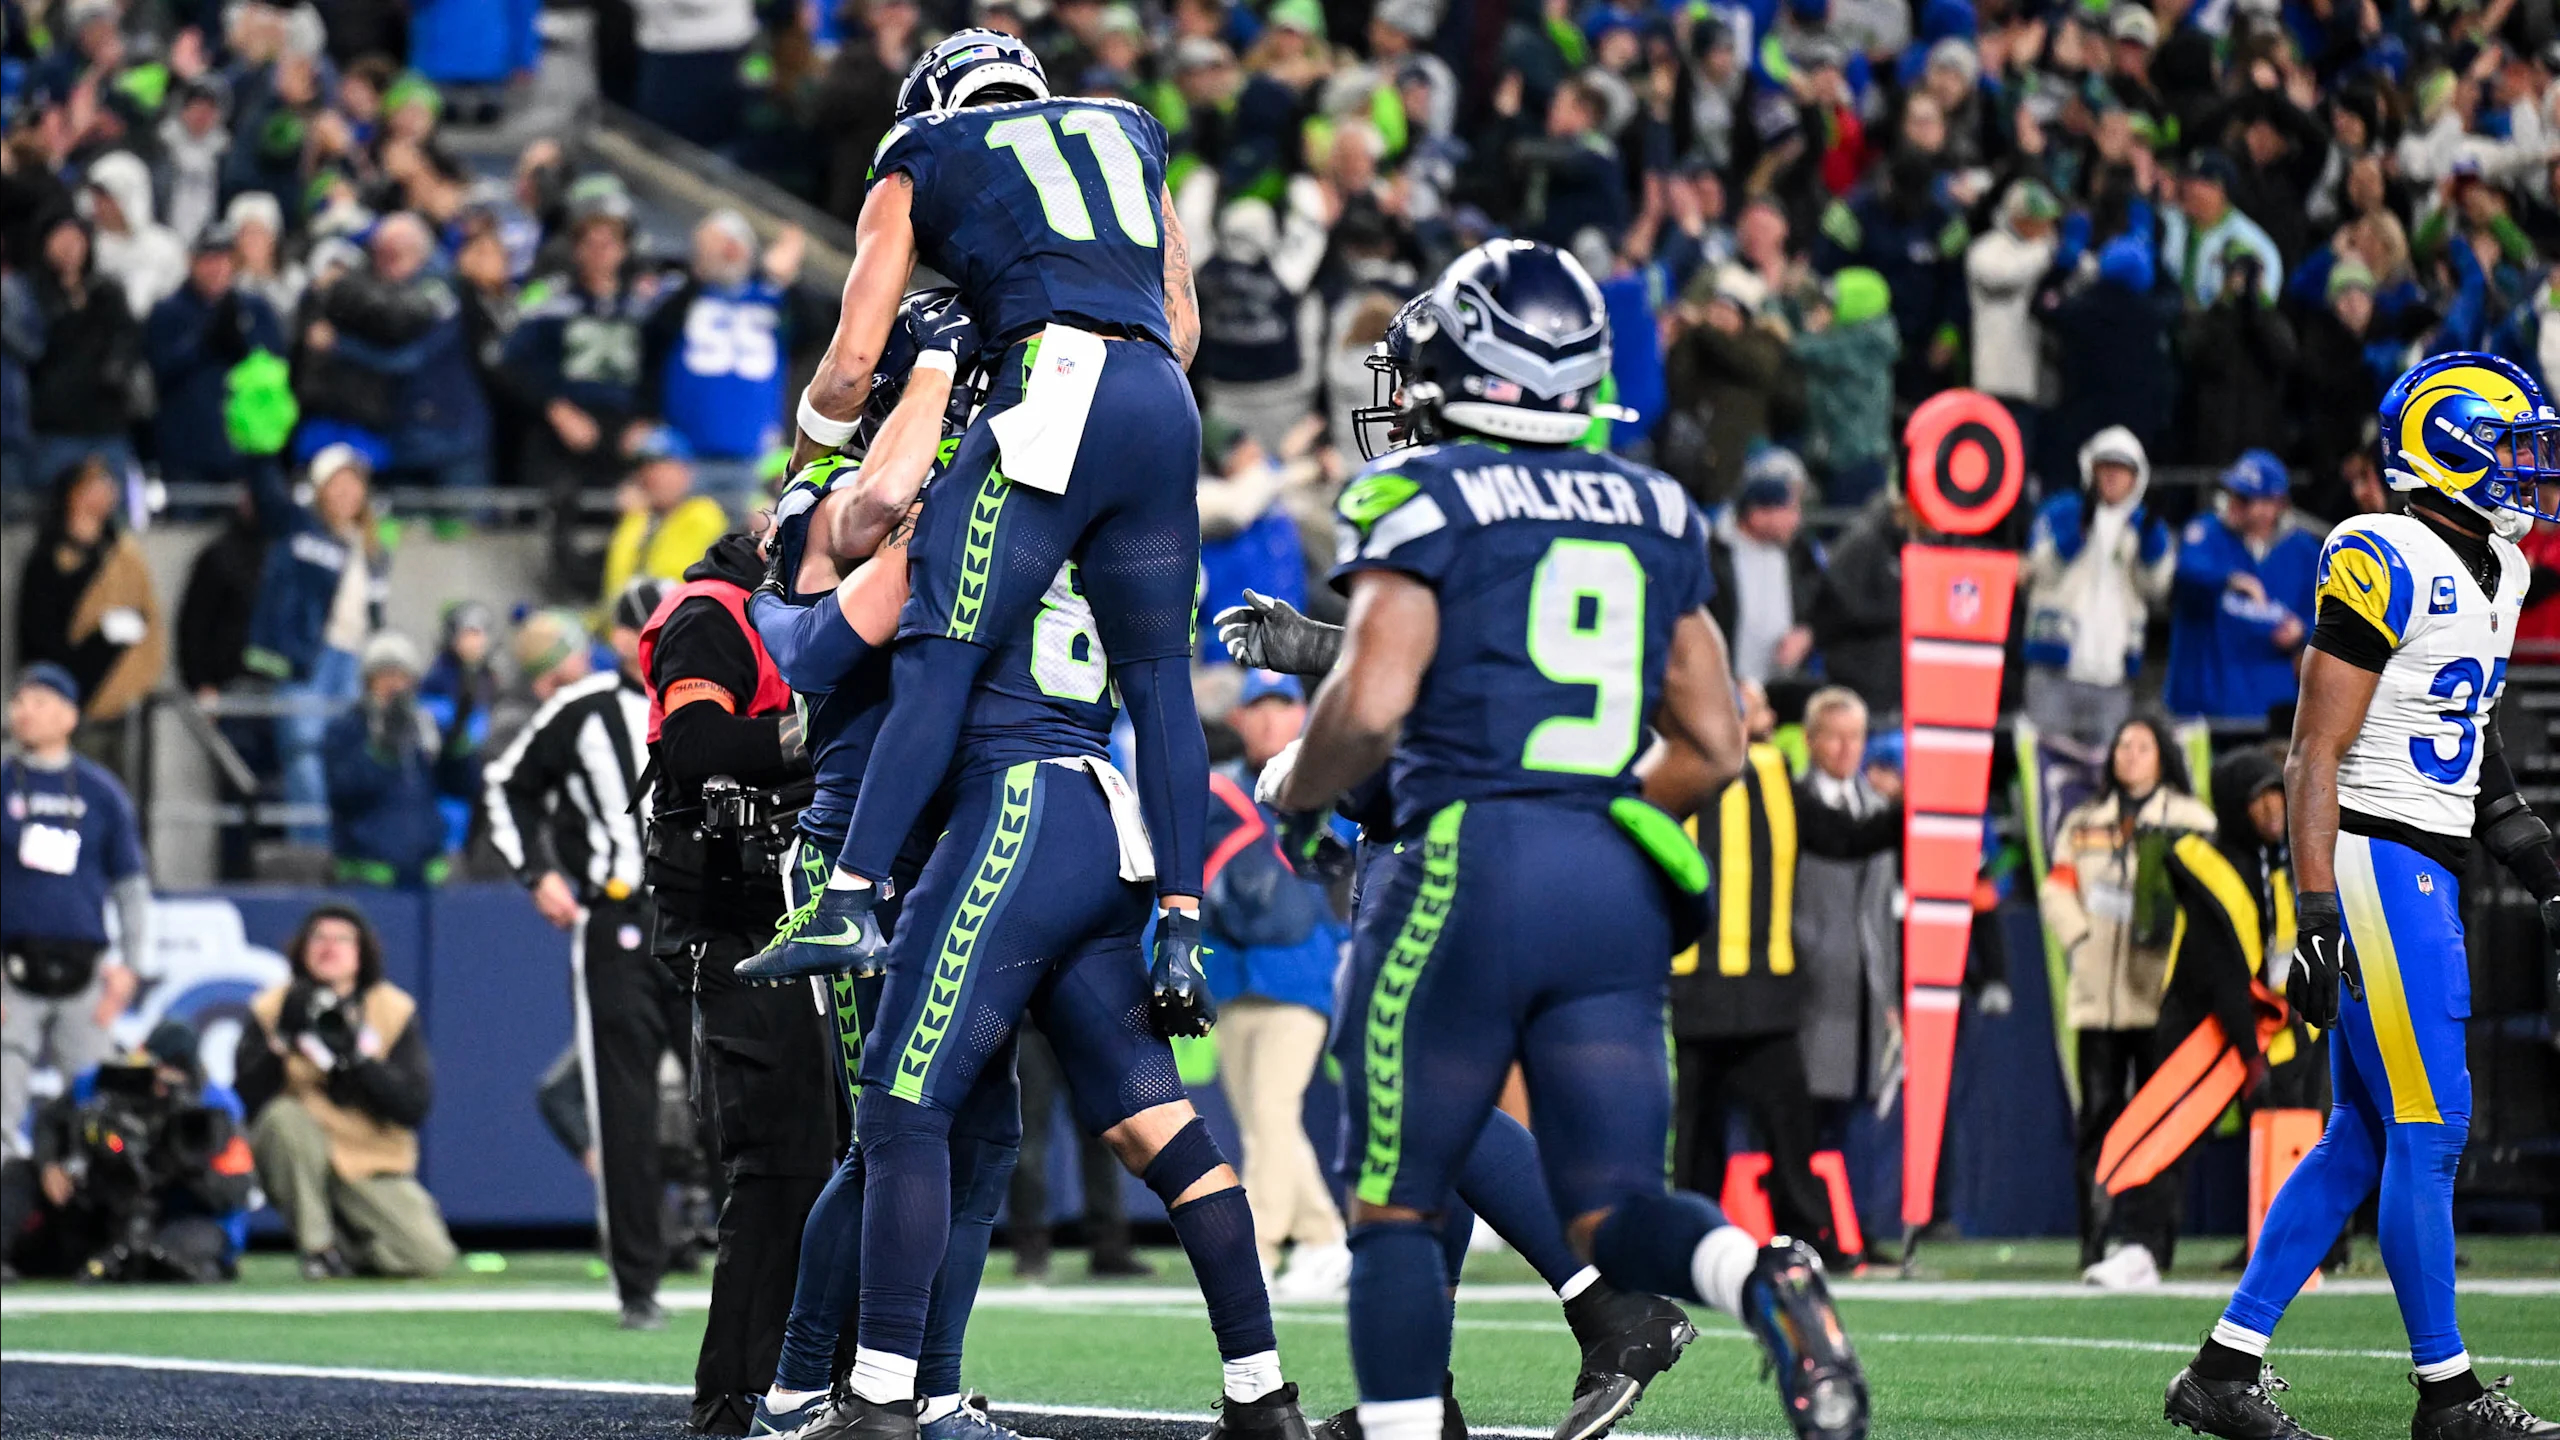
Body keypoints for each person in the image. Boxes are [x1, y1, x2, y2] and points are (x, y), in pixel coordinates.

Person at [1264, 242, 1865, 1440]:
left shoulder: (1425, 497)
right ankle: (1763, 1280)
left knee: (1392, 1201)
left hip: (1464, 869)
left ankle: (1401, 1429)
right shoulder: (1652, 500)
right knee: (1616, 1209)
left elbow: (1376, 703)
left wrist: (1295, 797)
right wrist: (1600, 815)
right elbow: (1716, 738)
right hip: (1608, 881)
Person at [763, 304, 1311, 1440]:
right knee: (1152, 1128)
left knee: (899, 1115)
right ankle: (1260, 1393)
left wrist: (772, 606)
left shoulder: (961, 500)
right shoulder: (1110, 507)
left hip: (990, 819)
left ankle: (866, 1400)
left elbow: (814, 648)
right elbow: (1165, 702)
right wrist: (1179, 910)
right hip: (1102, 825)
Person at [770, 34, 1213, 1091]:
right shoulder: (1125, 125)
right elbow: (1182, 322)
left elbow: (849, 361)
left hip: (1052, 383)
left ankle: (846, 899)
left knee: (942, 644)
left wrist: (807, 457)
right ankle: (1188, 924)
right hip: (1162, 398)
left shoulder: (922, 144)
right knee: (1160, 683)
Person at [2165, 352, 2560, 1440]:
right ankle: (2447, 1394)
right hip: (2378, 861)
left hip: (2424, 856)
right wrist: (2313, 913)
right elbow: (2313, 752)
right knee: (2431, 1131)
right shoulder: (2379, 549)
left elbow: (2468, 743)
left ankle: (2222, 1373)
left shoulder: (2502, 571)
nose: (2530, 471)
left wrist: (2539, 870)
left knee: (2364, 1139)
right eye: (2513, 448)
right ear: (2448, 448)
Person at [741, 292, 1047, 1438]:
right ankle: (798, 1386)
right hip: (852, 849)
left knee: (984, 1133)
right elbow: (869, 513)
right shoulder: (827, 486)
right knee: (892, 1130)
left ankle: (930, 1387)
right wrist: (932, 370)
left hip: (958, 845)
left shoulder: (979, 484)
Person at [635, 526, 839, 1432]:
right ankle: (738, 1397)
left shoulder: (804, 616)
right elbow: (694, 742)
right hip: (738, 914)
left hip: (803, 913)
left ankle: (829, 1385)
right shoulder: (713, 613)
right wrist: (828, 731)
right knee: (780, 1164)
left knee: (839, 1159)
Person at [482, 590, 670, 1330]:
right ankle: (638, 1284)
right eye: (641, 626)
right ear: (619, 638)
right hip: (618, 916)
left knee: (737, 1099)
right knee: (621, 1107)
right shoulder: (585, 708)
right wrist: (539, 872)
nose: (652, 637)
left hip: (713, 918)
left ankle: (761, 1273)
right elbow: (508, 787)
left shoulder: (728, 684)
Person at [1671, 683, 1900, 1273]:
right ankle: (1687, 1245)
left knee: (1788, 1129)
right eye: (1757, 705)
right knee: (1696, 1136)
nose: (1770, 717)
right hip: (1696, 988)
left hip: (1766, 994)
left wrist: (1915, 811)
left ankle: (1805, 1241)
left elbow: (1844, 839)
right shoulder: (1678, 764)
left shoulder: (1777, 776)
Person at [2083, 749, 2294, 1289]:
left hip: (2273, 1029)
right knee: (2169, 1137)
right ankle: (2142, 1248)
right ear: (2232, 805)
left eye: (2279, 795)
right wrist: (2250, 1056)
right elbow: (2222, 972)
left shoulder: (2281, 866)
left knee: (2295, 1138)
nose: (2274, 809)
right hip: (2204, 1030)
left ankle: (2297, 1248)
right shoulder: (2206, 861)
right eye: (2259, 798)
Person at [2039, 713, 2217, 1278]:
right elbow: (2056, 887)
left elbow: (2211, 899)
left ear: (2164, 754)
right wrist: (2082, 938)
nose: (2129, 755)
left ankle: (2151, 1243)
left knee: (2160, 1121)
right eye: (2122, 745)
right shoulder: (2085, 821)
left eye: (2142, 746)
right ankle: (2094, 1240)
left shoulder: (2191, 819)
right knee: (2096, 1119)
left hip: (2160, 995)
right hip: (2098, 998)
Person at [1204, 670, 1349, 1299]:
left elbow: (1338, 868)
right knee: (1264, 1124)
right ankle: (1324, 1239)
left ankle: (1253, 1252)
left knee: (1271, 1112)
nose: (1269, 720)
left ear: (1302, 717)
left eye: (1281, 707)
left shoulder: (1331, 782)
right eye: (1256, 708)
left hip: (1302, 974)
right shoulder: (1218, 790)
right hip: (1234, 977)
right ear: (1238, 719)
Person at [236, 905, 457, 1279]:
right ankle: (318, 1249)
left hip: (369, 1159)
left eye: (342, 939)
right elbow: (246, 1100)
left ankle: (348, 1247)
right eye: (319, 938)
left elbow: (413, 1106)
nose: (329, 947)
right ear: (302, 949)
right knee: (280, 1118)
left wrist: (357, 1060)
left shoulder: (392, 1009)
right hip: (303, 1152)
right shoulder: (272, 1008)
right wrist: (281, 1045)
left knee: (428, 1257)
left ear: (361, 953)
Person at [1, 664, 151, 1154]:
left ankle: (88, 1206)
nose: (23, 711)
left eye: (38, 702)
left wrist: (132, 965)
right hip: (10, 967)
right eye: (18, 701)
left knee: (92, 1098)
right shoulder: (2, 782)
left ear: (69, 716)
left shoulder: (101, 792)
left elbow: (130, 885)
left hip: (84, 971)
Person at [2, 1020, 254, 1282]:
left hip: (182, 1213)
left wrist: (186, 1165)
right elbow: (49, 1121)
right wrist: (49, 1165)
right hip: (106, 1209)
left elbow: (236, 1191)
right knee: (19, 1173)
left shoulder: (216, 1110)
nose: (159, 1088)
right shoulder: (105, 1083)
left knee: (165, 1260)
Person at [242, 441, 390, 849]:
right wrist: (261, 449)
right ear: (320, 488)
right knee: (304, 756)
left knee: (344, 760)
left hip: (353, 661)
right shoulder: (298, 527)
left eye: (354, 484)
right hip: (307, 660)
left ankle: (343, 849)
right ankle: (311, 850)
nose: (346, 493)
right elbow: (268, 496)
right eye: (337, 484)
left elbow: (374, 616)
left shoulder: (374, 548)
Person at [2020, 427, 2174, 748]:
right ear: (2090, 469)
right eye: (2105, 467)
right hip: (2055, 671)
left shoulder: (2145, 525)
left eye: (2121, 469)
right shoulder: (2061, 510)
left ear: (2137, 477)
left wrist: (2149, 541)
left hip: (2112, 677)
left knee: (2106, 771)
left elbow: (2157, 588)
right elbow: (2040, 570)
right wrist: (2079, 531)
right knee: (2048, 763)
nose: (2112, 476)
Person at [13, 456, 165, 778]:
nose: (107, 492)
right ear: (74, 494)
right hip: (65, 702)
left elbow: (145, 613)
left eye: (108, 483)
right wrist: (98, 636)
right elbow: (37, 636)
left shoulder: (121, 553)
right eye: (95, 484)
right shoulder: (46, 560)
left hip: (121, 703)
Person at [2165, 450, 2321, 723]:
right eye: (2234, 494)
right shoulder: (2205, 533)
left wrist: (2302, 633)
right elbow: (2185, 575)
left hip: (2271, 708)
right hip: (2203, 705)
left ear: (2277, 504)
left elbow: (2327, 618)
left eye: (2247, 499)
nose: (2234, 504)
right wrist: (2230, 579)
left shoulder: (2304, 551)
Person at [322, 632, 475, 889]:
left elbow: (463, 786)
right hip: (367, 879)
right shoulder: (347, 729)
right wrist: (384, 750)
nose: (394, 685)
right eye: (384, 676)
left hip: (428, 878)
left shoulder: (425, 727)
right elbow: (344, 791)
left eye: (401, 676)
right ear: (368, 682)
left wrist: (457, 745)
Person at [1705, 450, 1825, 686]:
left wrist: (1806, 634)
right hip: (1727, 686)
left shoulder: (1800, 552)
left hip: (1785, 687)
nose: (1797, 520)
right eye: (1789, 510)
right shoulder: (1713, 554)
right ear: (1758, 514)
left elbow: (1823, 605)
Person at [602, 428, 731, 611]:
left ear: (686, 471)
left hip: (676, 625)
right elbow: (614, 589)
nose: (652, 475)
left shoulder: (702, 514)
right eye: (646, 467)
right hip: (624, 626)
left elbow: (668, 583)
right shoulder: (638, 518)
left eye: (662, 466)